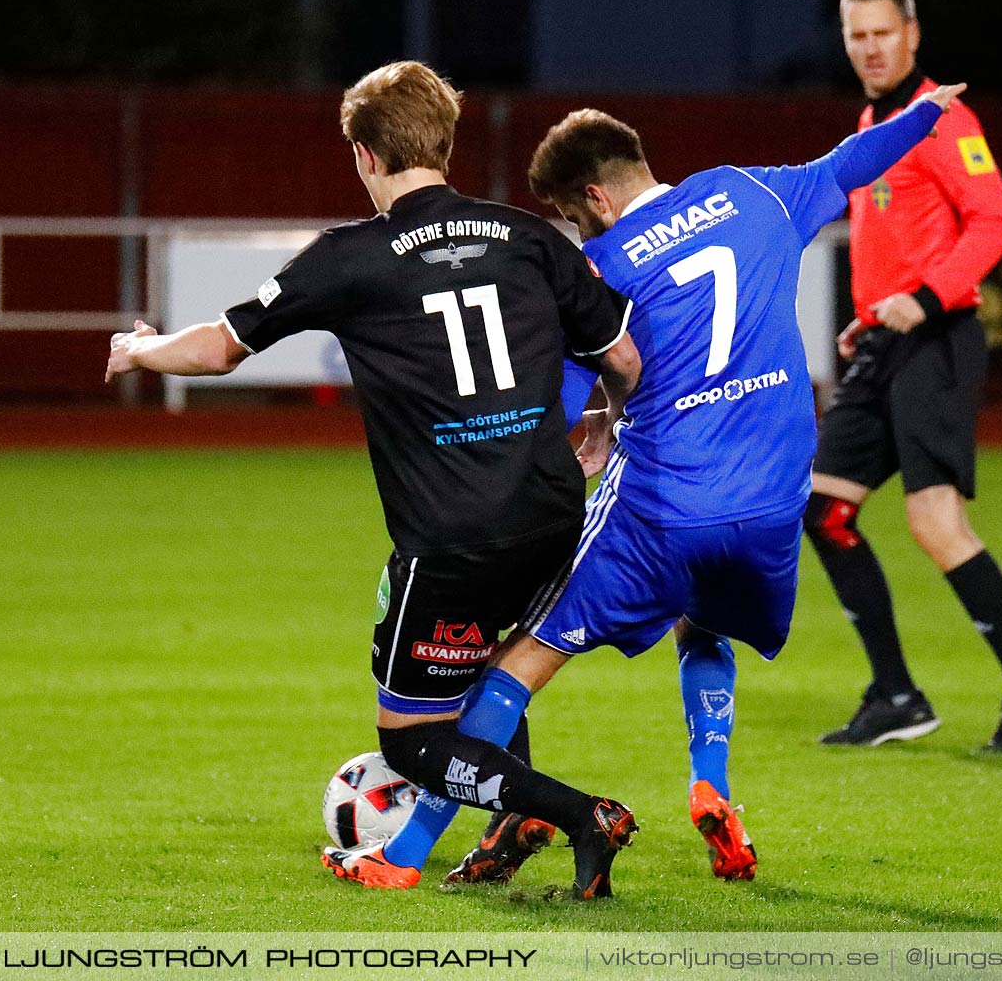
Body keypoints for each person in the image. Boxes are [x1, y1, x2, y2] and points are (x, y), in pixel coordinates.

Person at [366, 80, 962, 896]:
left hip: (662, 503)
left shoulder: (601, 268)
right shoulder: (752, 192)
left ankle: (402, 851)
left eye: (575, 218)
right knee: (704, 623)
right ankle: (710, 783)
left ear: (595, 196)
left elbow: (557, 404)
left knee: (520, 658)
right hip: (773, 502)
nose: (580, 233)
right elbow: (853, 161)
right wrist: (928, 113)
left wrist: (536, 457)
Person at [102, 60, 644, 891]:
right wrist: (603, 428)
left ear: (363, 154)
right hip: (550, 510)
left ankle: (578, 814)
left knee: (412, 738)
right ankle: (511, 828)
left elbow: (215, 349)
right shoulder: (531, 238)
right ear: (448, 142)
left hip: (454, 533)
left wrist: (138, 346)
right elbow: (624, 359)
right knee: (488, 670)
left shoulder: (350, 257)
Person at [805, 0, 1002, 754]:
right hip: (887, 341)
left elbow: (995, 221)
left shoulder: (944, 116)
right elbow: (895, 237)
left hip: (939, 338)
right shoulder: (873, 121)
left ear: (912, 35)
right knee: (821, 508)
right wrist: (870, 316)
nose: (869, 48)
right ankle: (895, 694)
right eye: (857, 36)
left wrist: (922, 299)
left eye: (882, 34)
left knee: (934, 521)